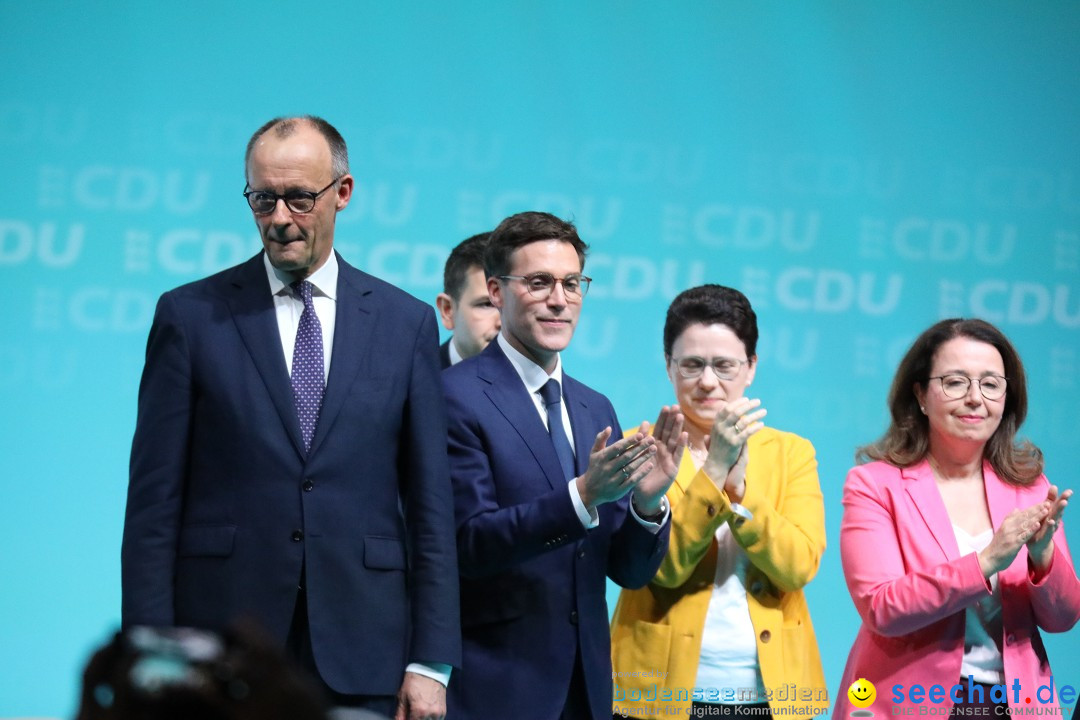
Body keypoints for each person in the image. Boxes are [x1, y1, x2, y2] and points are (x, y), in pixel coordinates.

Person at [121, 116, 460, 720]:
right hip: (220, 649)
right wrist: (150, 656)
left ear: (343, 193)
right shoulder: (190, 316)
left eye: (300, 198)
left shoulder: (404, 323)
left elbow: (431, 506)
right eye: (262, 198)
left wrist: (430, 662)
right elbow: (153, 505)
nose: (280, 218)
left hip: (364, 644)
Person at [442, 211, 684, 719]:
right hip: (494, 689)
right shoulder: (453, 396)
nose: (559, 299)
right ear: (497, 291)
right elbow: (468, 543)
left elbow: (629, 571)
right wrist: (582, 497)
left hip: (587, 691)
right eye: (539, 282)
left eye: (572, 284)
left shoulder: (595, 407)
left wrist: (647, 502)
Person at [835, 318, 1080, 716]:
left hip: (1015, 704)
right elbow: (882, 608)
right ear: (920, 394)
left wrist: (1043, 558)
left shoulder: (1030, 488)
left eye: (990, 384)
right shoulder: (874, 485)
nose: (974, 398)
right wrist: (985, 562)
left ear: (1007, 397)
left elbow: (1063, 618)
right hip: (905, 703)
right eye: (954, 382)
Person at [609, 284, 828, 718]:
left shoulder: (792, 452)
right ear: (668, 366)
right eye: (692, 365)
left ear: (750, 368)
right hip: (658, 691)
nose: (708, 381)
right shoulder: (639, 448)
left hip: (769, 692)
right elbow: (662, 570)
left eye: (724, 365)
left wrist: (741, 491)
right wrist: (714, 474)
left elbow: (798, 565)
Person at [434, 232, 500, 368]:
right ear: (448, 310)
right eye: (487, 304)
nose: (504, 322)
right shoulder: (409, 384)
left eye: (515, 305)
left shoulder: (550, 384)